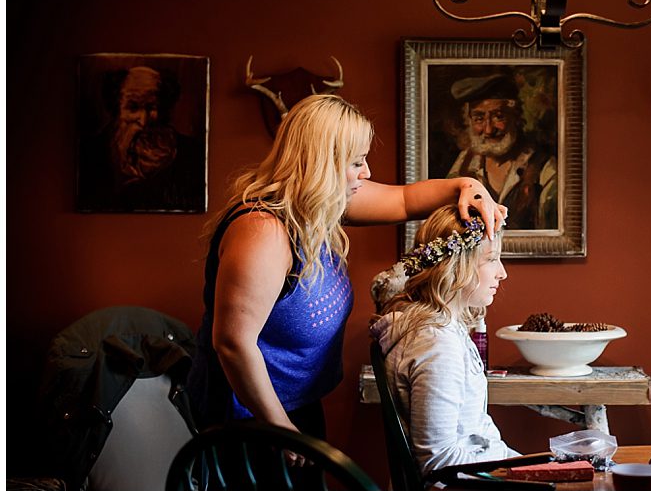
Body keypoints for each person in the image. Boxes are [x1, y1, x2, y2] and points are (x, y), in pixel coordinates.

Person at [185, 93, 506, 452]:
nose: (366, 173)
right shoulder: (263, 232)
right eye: (356, 163)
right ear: (322, 164)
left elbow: (404, 200)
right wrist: (280, 428)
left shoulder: (317, 207)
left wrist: (470, 188)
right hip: (247, 423)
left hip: (294, 409)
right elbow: (233, 344)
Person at [369, 204, 519, 476]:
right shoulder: (437, 344)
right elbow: (439, 460)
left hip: (482, 474)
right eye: (491, 259)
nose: (502, 273)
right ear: (457, 265)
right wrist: (517, 469)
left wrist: (534, 464)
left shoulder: (446, 330)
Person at [77, 65, 202, 211]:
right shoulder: (91, 152)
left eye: (151, 107)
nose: (143, 121)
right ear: (116, 108)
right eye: (133, 107)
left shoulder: (190, 152)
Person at [446, 73, 557, 230]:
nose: (489, 129)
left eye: (499, 117)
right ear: (469, 120)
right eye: (479, 118)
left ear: (516, 117)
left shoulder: (544, 168)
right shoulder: (464, 163)